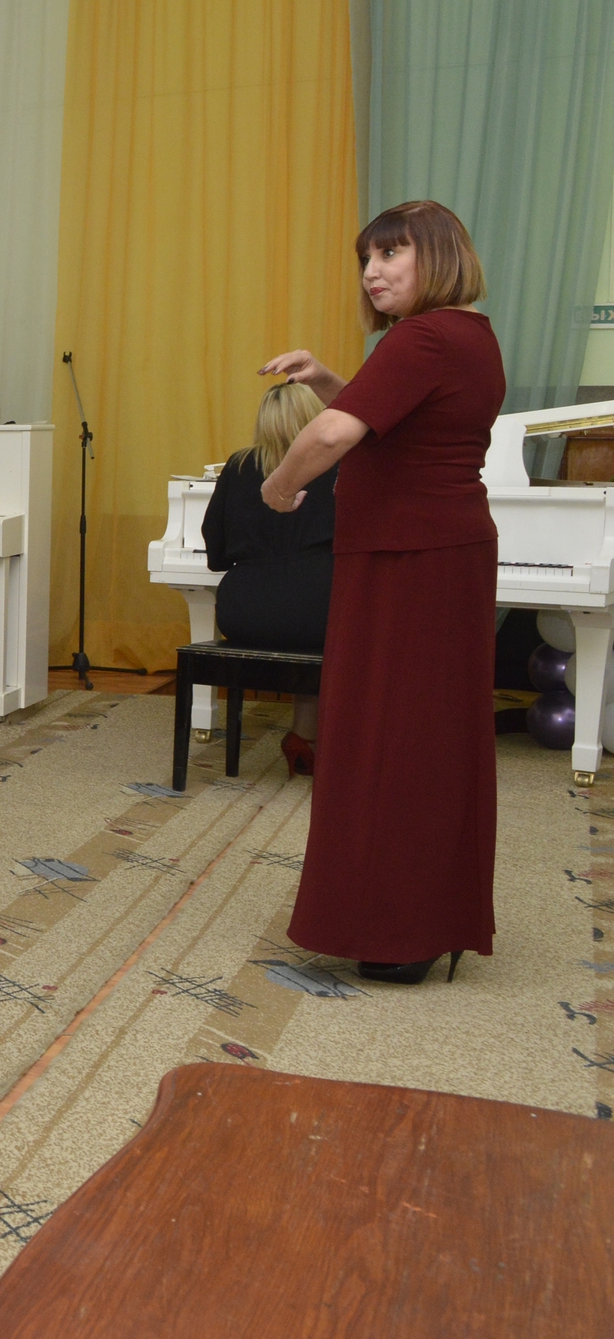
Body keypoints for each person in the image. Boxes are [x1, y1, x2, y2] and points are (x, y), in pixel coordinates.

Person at [258, 200, 501, 985]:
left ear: (439, 256)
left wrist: (278, 488)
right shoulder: (467, 335)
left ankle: (400, 930)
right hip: (435, 554)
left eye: (392, 253)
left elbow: (335, 434)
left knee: (389, 742)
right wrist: (330, 379)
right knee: (426, 738)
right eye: (367, 257)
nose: (373, 271)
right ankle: (424, 917)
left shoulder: (423, 338)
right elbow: (397, 422)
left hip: (408, 561)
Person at [204, 382, 338, 769]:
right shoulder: (339, 466)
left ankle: (304, 737)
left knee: (299, 621)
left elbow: (216, 554)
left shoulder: (237, 466)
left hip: (243, 613)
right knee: (341, 627)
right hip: (318, 608)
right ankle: (335, 739)